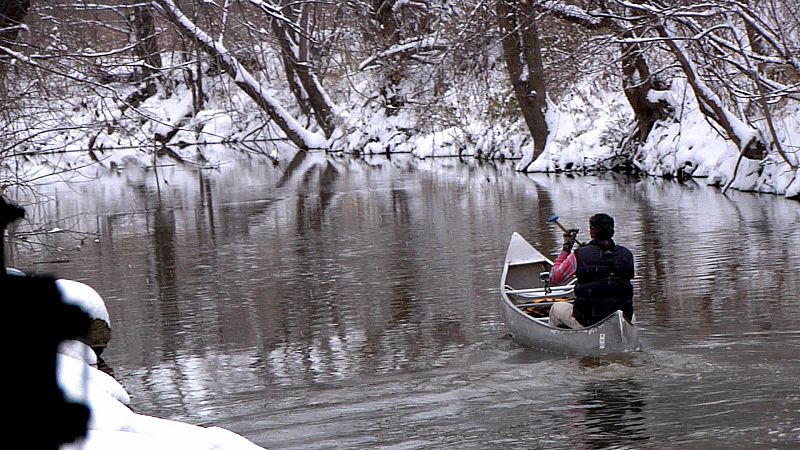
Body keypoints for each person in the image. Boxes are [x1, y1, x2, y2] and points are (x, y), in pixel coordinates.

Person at [548, 213, 635, 329]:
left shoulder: (579, 256)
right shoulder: (626, 254)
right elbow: (608, 270)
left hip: (589, 320)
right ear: (612, 232)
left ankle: (560, 342)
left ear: (592, 232)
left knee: (555, 309)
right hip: (622, 317)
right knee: (631, 316)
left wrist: (566, 249)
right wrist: (587, 251)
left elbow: (554, 278)